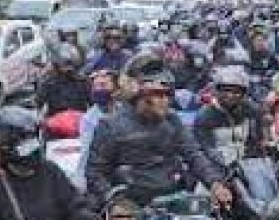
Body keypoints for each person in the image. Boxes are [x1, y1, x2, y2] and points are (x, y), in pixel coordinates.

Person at [86, 51, 232, 207]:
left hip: (174, 198)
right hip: (132, 204)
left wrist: (215, 183)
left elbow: (193, 154)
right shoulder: (110, 126)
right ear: (138, 97)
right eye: (158, 94)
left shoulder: (172, 119)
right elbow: (95, 173)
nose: (165, 101)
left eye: (168, 95)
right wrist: (115, 202)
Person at [193, 66, 267, 169]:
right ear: (217, 91)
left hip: (248, 166)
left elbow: (257, 141)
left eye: (236, 92)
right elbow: (206, 148)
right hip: (216, 168)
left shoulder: (251, 110)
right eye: (226, 91)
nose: (230, 95)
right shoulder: (204, 116)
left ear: (243, 94)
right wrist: (225, 163)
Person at [74, 69, 120, 191]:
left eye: (103, 85)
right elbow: (86, 153)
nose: (98, 90)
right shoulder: (89, 119)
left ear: (116, 89)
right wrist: (80, 182)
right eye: (96, 86)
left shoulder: (124, 110)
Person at [35, 42, 90, 115]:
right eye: (65, 64)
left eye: (70, 64)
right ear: (57, 65)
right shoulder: (48, 83)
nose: (68, 68)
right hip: (56, 119)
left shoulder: (82, 81)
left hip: (78, 118)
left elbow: (92, 103)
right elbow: (39, 103)